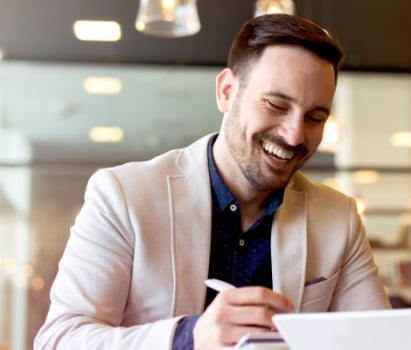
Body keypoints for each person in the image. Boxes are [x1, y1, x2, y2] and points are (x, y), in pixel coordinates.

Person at [34, 14, 390, 350]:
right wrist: (188, 337)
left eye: (315, 117)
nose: (295, 135)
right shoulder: (123, 195)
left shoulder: (338, 217)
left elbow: (382, 341)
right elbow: (61, 339)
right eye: (277, 105)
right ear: (226, 91)